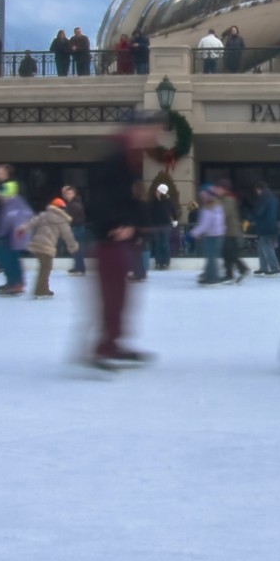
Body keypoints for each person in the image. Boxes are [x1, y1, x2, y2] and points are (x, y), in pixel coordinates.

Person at [83, 115, 165, 370]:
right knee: (112, 296)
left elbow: (131, 199)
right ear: (137, 130)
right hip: (109, 239)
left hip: (119, 238)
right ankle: (103, 348)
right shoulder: (116, 158)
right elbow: (100, 196)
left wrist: (141, 223)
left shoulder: (130, 158)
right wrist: (117, 224)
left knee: (121, 295)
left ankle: (112, 343)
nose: (154, 138)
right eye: (152, 132)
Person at [0, 165, 32, 296]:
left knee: (8, 256)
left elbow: (4, 204)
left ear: (7, 173)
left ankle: (15, 283)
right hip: (12, 226)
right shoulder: (14, 185)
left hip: (8, 227)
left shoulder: (8, 185)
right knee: (11, 256)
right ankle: (14, 282)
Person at [24, 197, 77, 299]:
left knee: (44, 267)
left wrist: (23, 229)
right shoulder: (61, 220)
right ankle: (41, 291)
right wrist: (72, 246)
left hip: (36, 244)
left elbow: (31, 223)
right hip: (47, 246)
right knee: (46, 268)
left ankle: (42, 289)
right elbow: (68, 235)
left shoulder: (43, 215)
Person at [219, 182, 250, 283]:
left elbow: (224, 214)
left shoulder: (227, 199)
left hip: (230, 231)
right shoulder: (227, 199)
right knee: (229, 253)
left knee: (229, 253)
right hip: (230, 231)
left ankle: (236, 271)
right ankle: (235, 271)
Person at [194, 187, 226, 285]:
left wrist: (195, 232)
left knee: (211, 257)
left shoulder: (209, 208)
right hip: (216, 234)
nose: (202, 198)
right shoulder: (217, 206)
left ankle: (212, 278)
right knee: (211, 257)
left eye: (204, 196)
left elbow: (206, 224)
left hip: (212, 235)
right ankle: (210, 276)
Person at [252, 183, 280, 275]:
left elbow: (259, 211)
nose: (257, 193)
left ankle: (275, 268)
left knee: (266, 246)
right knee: (261, 247)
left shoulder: (264, 197)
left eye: (257, 190)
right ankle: (263, 267)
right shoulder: (273, 197)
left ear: (259, 189)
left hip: (266, 225)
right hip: (272, 224)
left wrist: (250, 218)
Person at [147, 183, 176, 270]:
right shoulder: (153, 202)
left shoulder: (168, 202)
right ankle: (158, 262)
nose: (156, 192)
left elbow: (173, 211)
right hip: (156, 226)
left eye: (158, 191)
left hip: (166, 225)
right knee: (158, 244)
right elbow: (150, 213)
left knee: (165, 244)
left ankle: (165, 263)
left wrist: (175, 220)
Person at [63, 185, 88, 275]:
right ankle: (78, 267)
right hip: (75, 227)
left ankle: (80, 268)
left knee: (77, 249)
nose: (69, 195)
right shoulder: (71, 204)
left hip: (77, 228)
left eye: (71, 193)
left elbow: (71, 217)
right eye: (67, 194)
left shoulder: (75, 204)